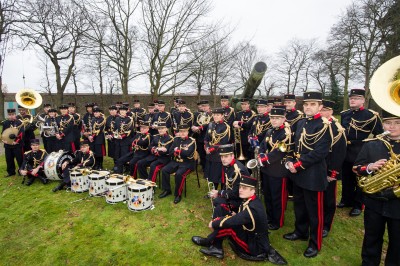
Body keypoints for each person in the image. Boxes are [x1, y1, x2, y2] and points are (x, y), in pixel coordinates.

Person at [191, 175, 287, 265]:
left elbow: (232, 221)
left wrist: (214, 223)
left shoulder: (252, 209)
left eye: (244, 188)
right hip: (248, 232)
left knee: (228, 227)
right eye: (240, 187)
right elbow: (240, 216)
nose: (240, 190)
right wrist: (232, 216)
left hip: (254, 245)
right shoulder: (251, 199)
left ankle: (210, 242)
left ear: (253, 190)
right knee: (220, 209)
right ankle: (216, 247)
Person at [283, 91, 332, 258]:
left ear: (320, 106)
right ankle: (300, 231)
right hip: (297, 175)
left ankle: (315, 243)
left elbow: (320, 152)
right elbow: (294, 146)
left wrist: (298, 165)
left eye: (312, 104)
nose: (308, 107)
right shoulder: (302, 122)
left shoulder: (324, 125)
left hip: (313, 175)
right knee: (299, 207)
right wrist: (290, 160)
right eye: (306, 104)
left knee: (315, 212)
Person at [353, 109, 400, 266]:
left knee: (397, 243)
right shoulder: (372, 144)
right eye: (388, 123)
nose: (392, 127)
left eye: (397, 123)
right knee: (371, 239)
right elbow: (356, 168)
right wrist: (370, 167)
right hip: (374, 202)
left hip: (398, 205)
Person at [339, 88, 383, 216]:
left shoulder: (371, 115)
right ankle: (346, 200)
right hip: (346, 150)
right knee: (346, 177)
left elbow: (379, 135)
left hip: (361, 151)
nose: (353, 100)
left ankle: (358, 205)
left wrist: (371, 149)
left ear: (363, 100)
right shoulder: (345, 114)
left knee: (359, 179)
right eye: (351, 98)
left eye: (356, 98)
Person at [258, 106, 292, 230]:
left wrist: (264, 159)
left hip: (279, 170)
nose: (274, 120)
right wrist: (261, 154)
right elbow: (263, 145)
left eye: (277, 118)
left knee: (278, 198)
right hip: (266, 169)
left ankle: (278, 221)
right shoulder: (270, 131)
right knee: (268, 195)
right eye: (272, 118)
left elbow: (281, 151)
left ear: (284, 118)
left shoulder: (286, 133)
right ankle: (269, 217)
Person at [320, 100, 347, 238]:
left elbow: (340, 153)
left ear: (331, 112)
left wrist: (333, 172)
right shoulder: (317, 124)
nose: (322, 112)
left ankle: (326, 225)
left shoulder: (337, 128)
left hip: (329, 169)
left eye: (325, 110)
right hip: (315, 168)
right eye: (321, 109)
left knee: (328, 199)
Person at [208, 144, 250, 218]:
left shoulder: (238, 171)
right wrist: (221, 193)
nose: (223, 159)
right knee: (217, 200)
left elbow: (237, 194)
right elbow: (228, 184)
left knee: (218, 201)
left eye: (226, 156)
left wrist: (219, 193)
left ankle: (229, 216)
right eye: (222, 157)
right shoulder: (229, 166)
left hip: (241, 199)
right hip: (234, 194)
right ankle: (222, 216)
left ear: (232, 156)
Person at [159, 124, 196, 204]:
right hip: (176, 162)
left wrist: (178, 151)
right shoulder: (176, 140)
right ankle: (167, 190)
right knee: (165, 170)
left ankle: (178, 194)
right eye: (181, 131)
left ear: (187, 132)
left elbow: (188, 153)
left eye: (184, 131)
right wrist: (178, 151)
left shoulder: (192, 141)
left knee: (179, 174)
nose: (182, 133)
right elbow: (170, 152)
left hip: (187, 163)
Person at [204, 108, 231, 189]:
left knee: (220, 175)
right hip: (210, 154)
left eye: (218, 115)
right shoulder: (210, 124)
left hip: (219, 155)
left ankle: (222, 192)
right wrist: (206, 147)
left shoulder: (226, 127)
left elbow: (224, 142)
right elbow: (206, 139)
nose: (215, 116)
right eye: (214, 115)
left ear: (222, 116)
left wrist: (211, 149)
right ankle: (213, 190)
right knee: (211, 174)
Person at [2, 109, 24, 177]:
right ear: (8, 115)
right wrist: (3, 139)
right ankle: (11, 172)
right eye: (9, 115)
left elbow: (21, 133)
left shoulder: (19, 122)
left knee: (19, 158)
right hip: (8, 144)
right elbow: (3, 133)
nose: (11, 116)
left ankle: (21, 171)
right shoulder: (5, 123)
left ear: (15, 114)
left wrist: (16, 141)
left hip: (17, 144)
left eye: (13, 115)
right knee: (9, 159)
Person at [191, 100, 212, 171]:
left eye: (205, 106)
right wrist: (193, 127)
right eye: (202, 106)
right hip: (200, 137)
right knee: (201, 153)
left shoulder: (212, 114)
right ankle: (204, 168)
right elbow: (196, 123)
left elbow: (210, 124)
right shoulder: (201, 115)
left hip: (209, 137)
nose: (204, 108)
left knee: (208, 154)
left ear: (209, 106)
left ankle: (209, 168)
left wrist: (200, 127)